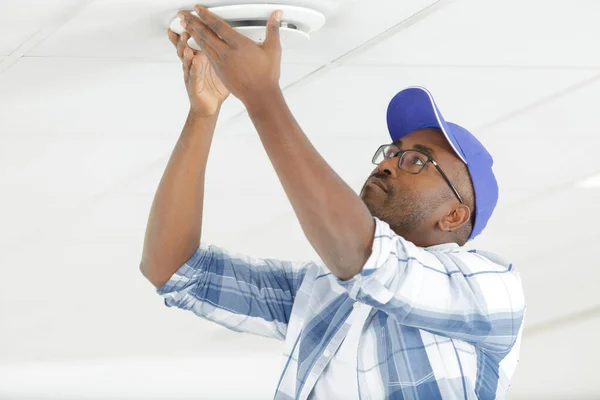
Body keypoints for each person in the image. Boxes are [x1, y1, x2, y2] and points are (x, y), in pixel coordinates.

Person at [140, 6, 526, 400]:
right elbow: (174, 270)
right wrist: (203, 113)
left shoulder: (491, 289)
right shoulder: (326, 290)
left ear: (455, 214)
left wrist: (261, 94)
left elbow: (364, 255)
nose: (391, 162)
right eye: (394, 151)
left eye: (417, 160)